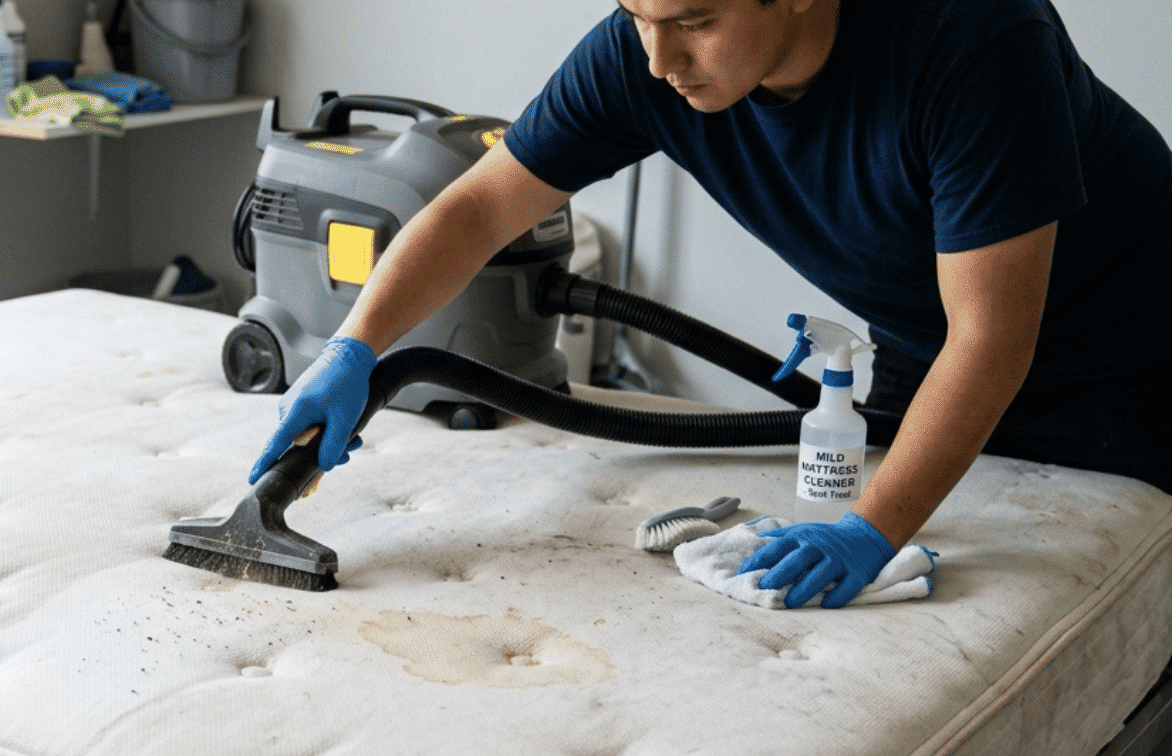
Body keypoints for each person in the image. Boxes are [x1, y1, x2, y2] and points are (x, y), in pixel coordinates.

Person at [247, 0, 1172, 609]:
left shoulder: (974, 36)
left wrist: (870, 532)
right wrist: (354, 348)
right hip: (930, 355)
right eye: (638, 15)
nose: (659, 60)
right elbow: (482, 206)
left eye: (693, 20)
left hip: (1137, 359)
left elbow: (992, 337)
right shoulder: (646, 51)